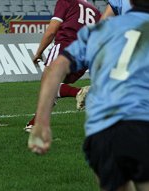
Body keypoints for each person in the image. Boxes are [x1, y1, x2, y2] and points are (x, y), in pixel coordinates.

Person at [28, 0, 149, 191]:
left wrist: (42, 123)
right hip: (143, 125)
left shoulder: (100, 30)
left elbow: (56, 69)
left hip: (100, 134)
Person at [24, 0, 101, 132]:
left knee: (47, 85)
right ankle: (35, 123)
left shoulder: (66, 1)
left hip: (66, 48)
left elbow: (52, 30)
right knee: (54, 88)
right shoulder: (96, 12)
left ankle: (78, 92)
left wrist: (38, 53)